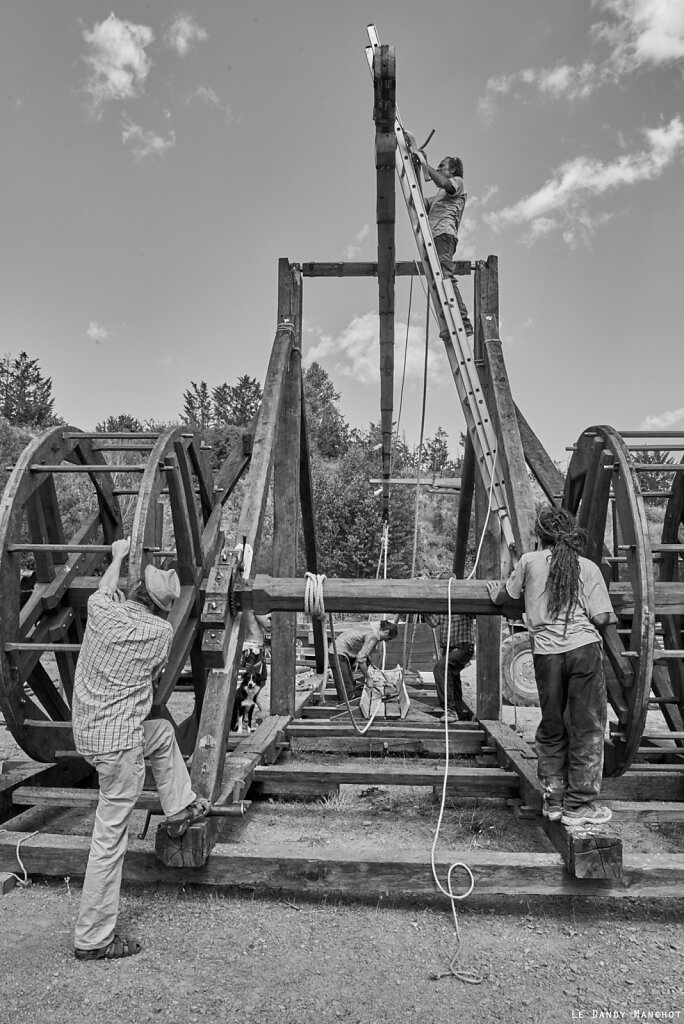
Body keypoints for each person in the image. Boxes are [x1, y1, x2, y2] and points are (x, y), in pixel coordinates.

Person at [71, 538, 209, 961]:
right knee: (109, 841)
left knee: (162, 734)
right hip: (119, 750)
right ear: (160, 605)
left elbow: (103, 588)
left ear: (133, 592)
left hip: (88, 734)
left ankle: (180, 805)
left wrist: (116, 557)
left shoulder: (100, 610)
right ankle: (93, 938)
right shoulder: (160, 632)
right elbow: (152, 685)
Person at [486, 506, 615, 827]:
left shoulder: (529, 562)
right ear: (570, 533)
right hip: (583, 651)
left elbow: (506, 596)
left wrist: (496, 596)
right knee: (586, 726)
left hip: (546, 654)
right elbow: (600, 619)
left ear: (538, 536)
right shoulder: (586, 567)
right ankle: (579, 805)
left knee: (552, 725)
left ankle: (554, 800)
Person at [418, 153, 473, 336]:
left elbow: (445, 183)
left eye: (443, 165)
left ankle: (463, 323)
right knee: (438, 280)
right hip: (434, 238)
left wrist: (426, 165)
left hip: (443, 235)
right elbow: (420, 202)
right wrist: (416, 168)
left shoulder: (457, 182)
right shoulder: (438, 196)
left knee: (446, 277)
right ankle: (452, 323)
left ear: (453, 170)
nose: (440, 168)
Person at [424, 574, 475, 722]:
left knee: (441, 668)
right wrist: (423, 605)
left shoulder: (462, 600)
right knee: (453, 678)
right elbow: (434, 622)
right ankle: (458, 711)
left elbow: (474, 612)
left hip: (463, 648)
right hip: (448, 649)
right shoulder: (442, 605)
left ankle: (450, 711)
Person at [330, 620, 398, 701]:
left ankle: (352, 696)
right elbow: (361, 660)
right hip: (337, 652)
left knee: (350, 684)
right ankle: (347, 706)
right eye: (388, 639)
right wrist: (368, 678)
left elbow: (364, 649)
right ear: (386, 632)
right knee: (346, 688)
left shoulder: (375, 627)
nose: (386, 641)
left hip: (342, 651)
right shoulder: (374, 636)